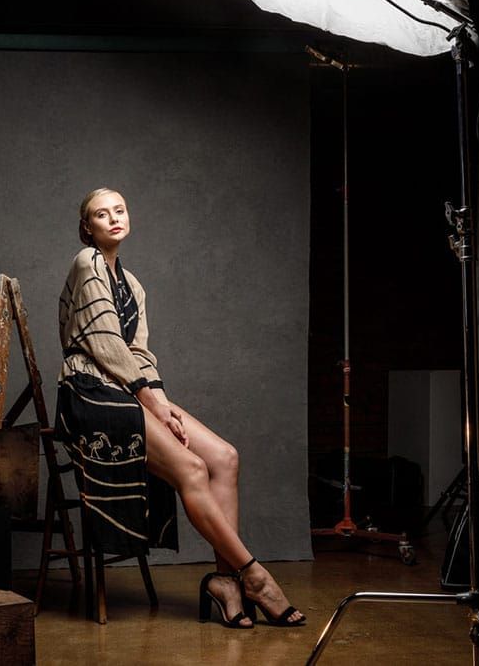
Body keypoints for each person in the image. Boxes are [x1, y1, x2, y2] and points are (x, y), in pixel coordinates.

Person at [55, 187, 305, 628]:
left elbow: (141, 353)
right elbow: (105, 345)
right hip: (90, 392)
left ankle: (225, 581)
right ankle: (257, 577)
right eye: (101, 214)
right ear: (86, 227)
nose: (114, 218)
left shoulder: (133, 285)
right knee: (191, 469)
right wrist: (152, 402)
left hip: (130, 389)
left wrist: (163, 403)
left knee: (224, 458)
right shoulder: (87, 262)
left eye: (120, 210)